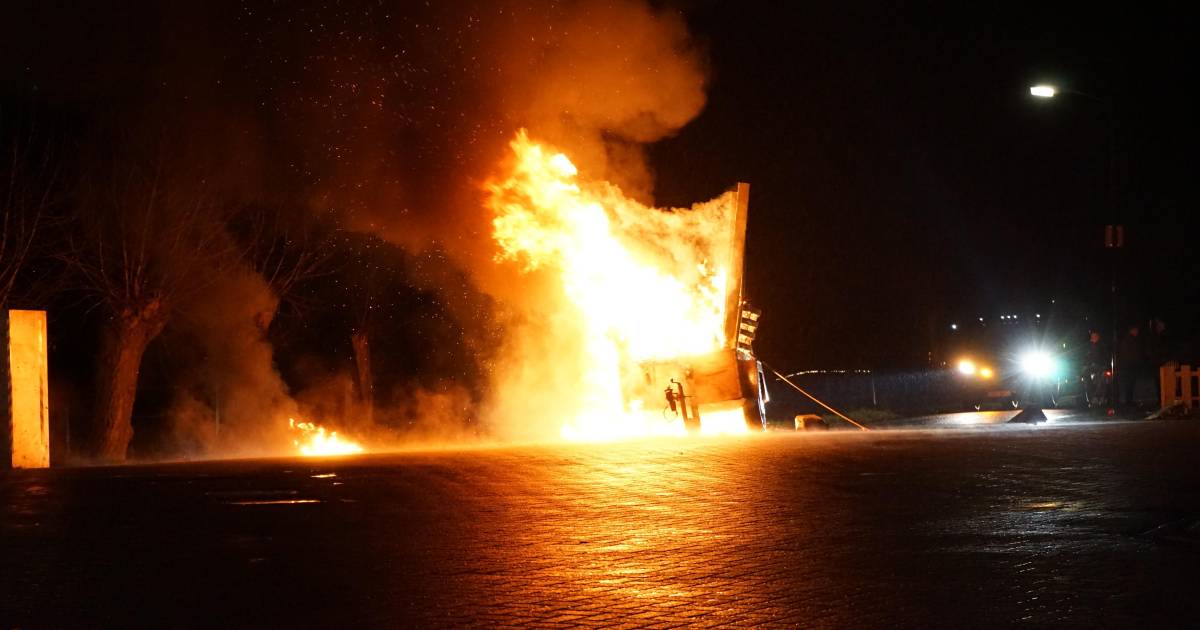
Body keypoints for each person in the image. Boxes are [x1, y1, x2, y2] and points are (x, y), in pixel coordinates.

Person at [1115, 324, 1144, 408]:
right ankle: (1127, 401)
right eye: (1136, 330)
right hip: (1128, 366)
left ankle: (1126, 401)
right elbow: (1131, 354)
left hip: (1127, 366)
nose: (1137, 332)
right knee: (1128, 384)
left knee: (1129, 384)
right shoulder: (1130, 340)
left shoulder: (1129, 340)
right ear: (1132, 330)